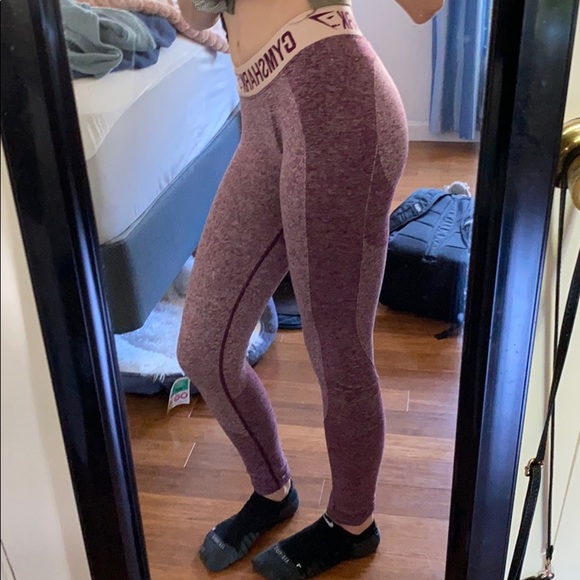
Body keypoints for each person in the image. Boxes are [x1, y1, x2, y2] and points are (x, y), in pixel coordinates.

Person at [177, 1, 443, 578]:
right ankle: (273, 491)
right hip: (259, 115)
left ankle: (352, 525)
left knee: (337, 348)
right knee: (202, 349)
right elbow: (196, 18)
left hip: (338, 98)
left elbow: (426, 8)